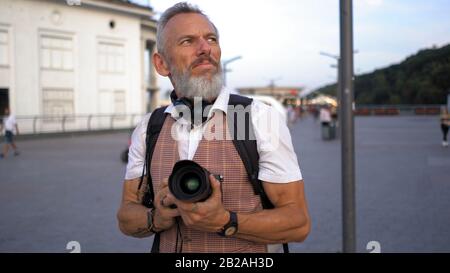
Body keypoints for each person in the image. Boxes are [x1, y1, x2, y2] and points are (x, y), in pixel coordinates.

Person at [117, 2, 310, 253]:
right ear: (162, 64)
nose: (205, 48)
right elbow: (126, 216)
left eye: (211, 39)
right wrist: (157, 218)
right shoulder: (150, 128)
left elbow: (299, 224)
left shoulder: (256, 118)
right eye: (188, 41)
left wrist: (226, 221)